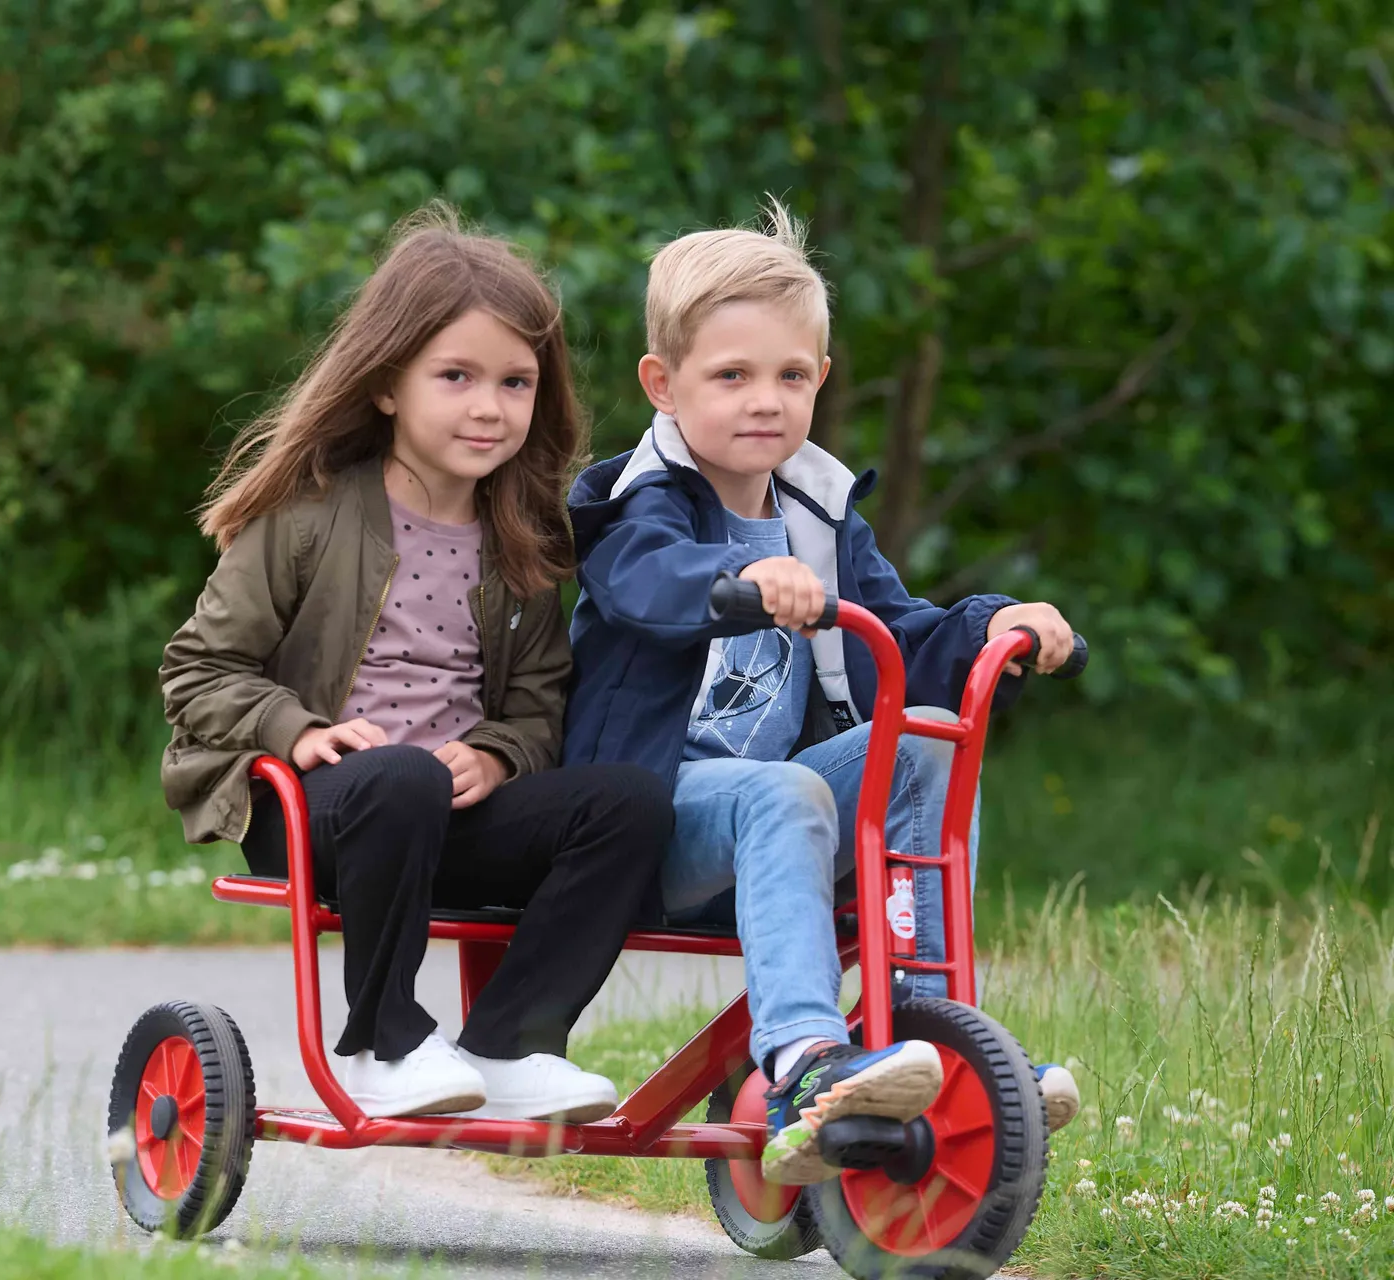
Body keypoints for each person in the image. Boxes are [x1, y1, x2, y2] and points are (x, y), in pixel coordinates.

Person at [562, 200, 1081, 1183]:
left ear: (822, 379)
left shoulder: (820, 511)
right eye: (732, 376)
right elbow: (644, 583)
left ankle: (931, 1030)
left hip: (775, 818)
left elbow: (902, 636)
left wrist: (994, 624)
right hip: (644, 815)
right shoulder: (635, 502)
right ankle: (803, 1058)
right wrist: (739, 580)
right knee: (785, 788)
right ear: (663, 385)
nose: (765, 400)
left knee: (928, 733)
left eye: (791, 375)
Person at [160, 209, 671, 1124]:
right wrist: (296, 730)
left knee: (629, 803)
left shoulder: (521, 538)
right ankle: (383, 1043)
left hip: (453, 815)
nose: (489, 407)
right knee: (399, 777)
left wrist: (499, 754)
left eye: (515, 382)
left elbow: (539, 702)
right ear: (388, 383)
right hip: (318, 810)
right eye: (456, 376)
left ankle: (511, 1043)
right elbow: (199, 670)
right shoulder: (309, 517)